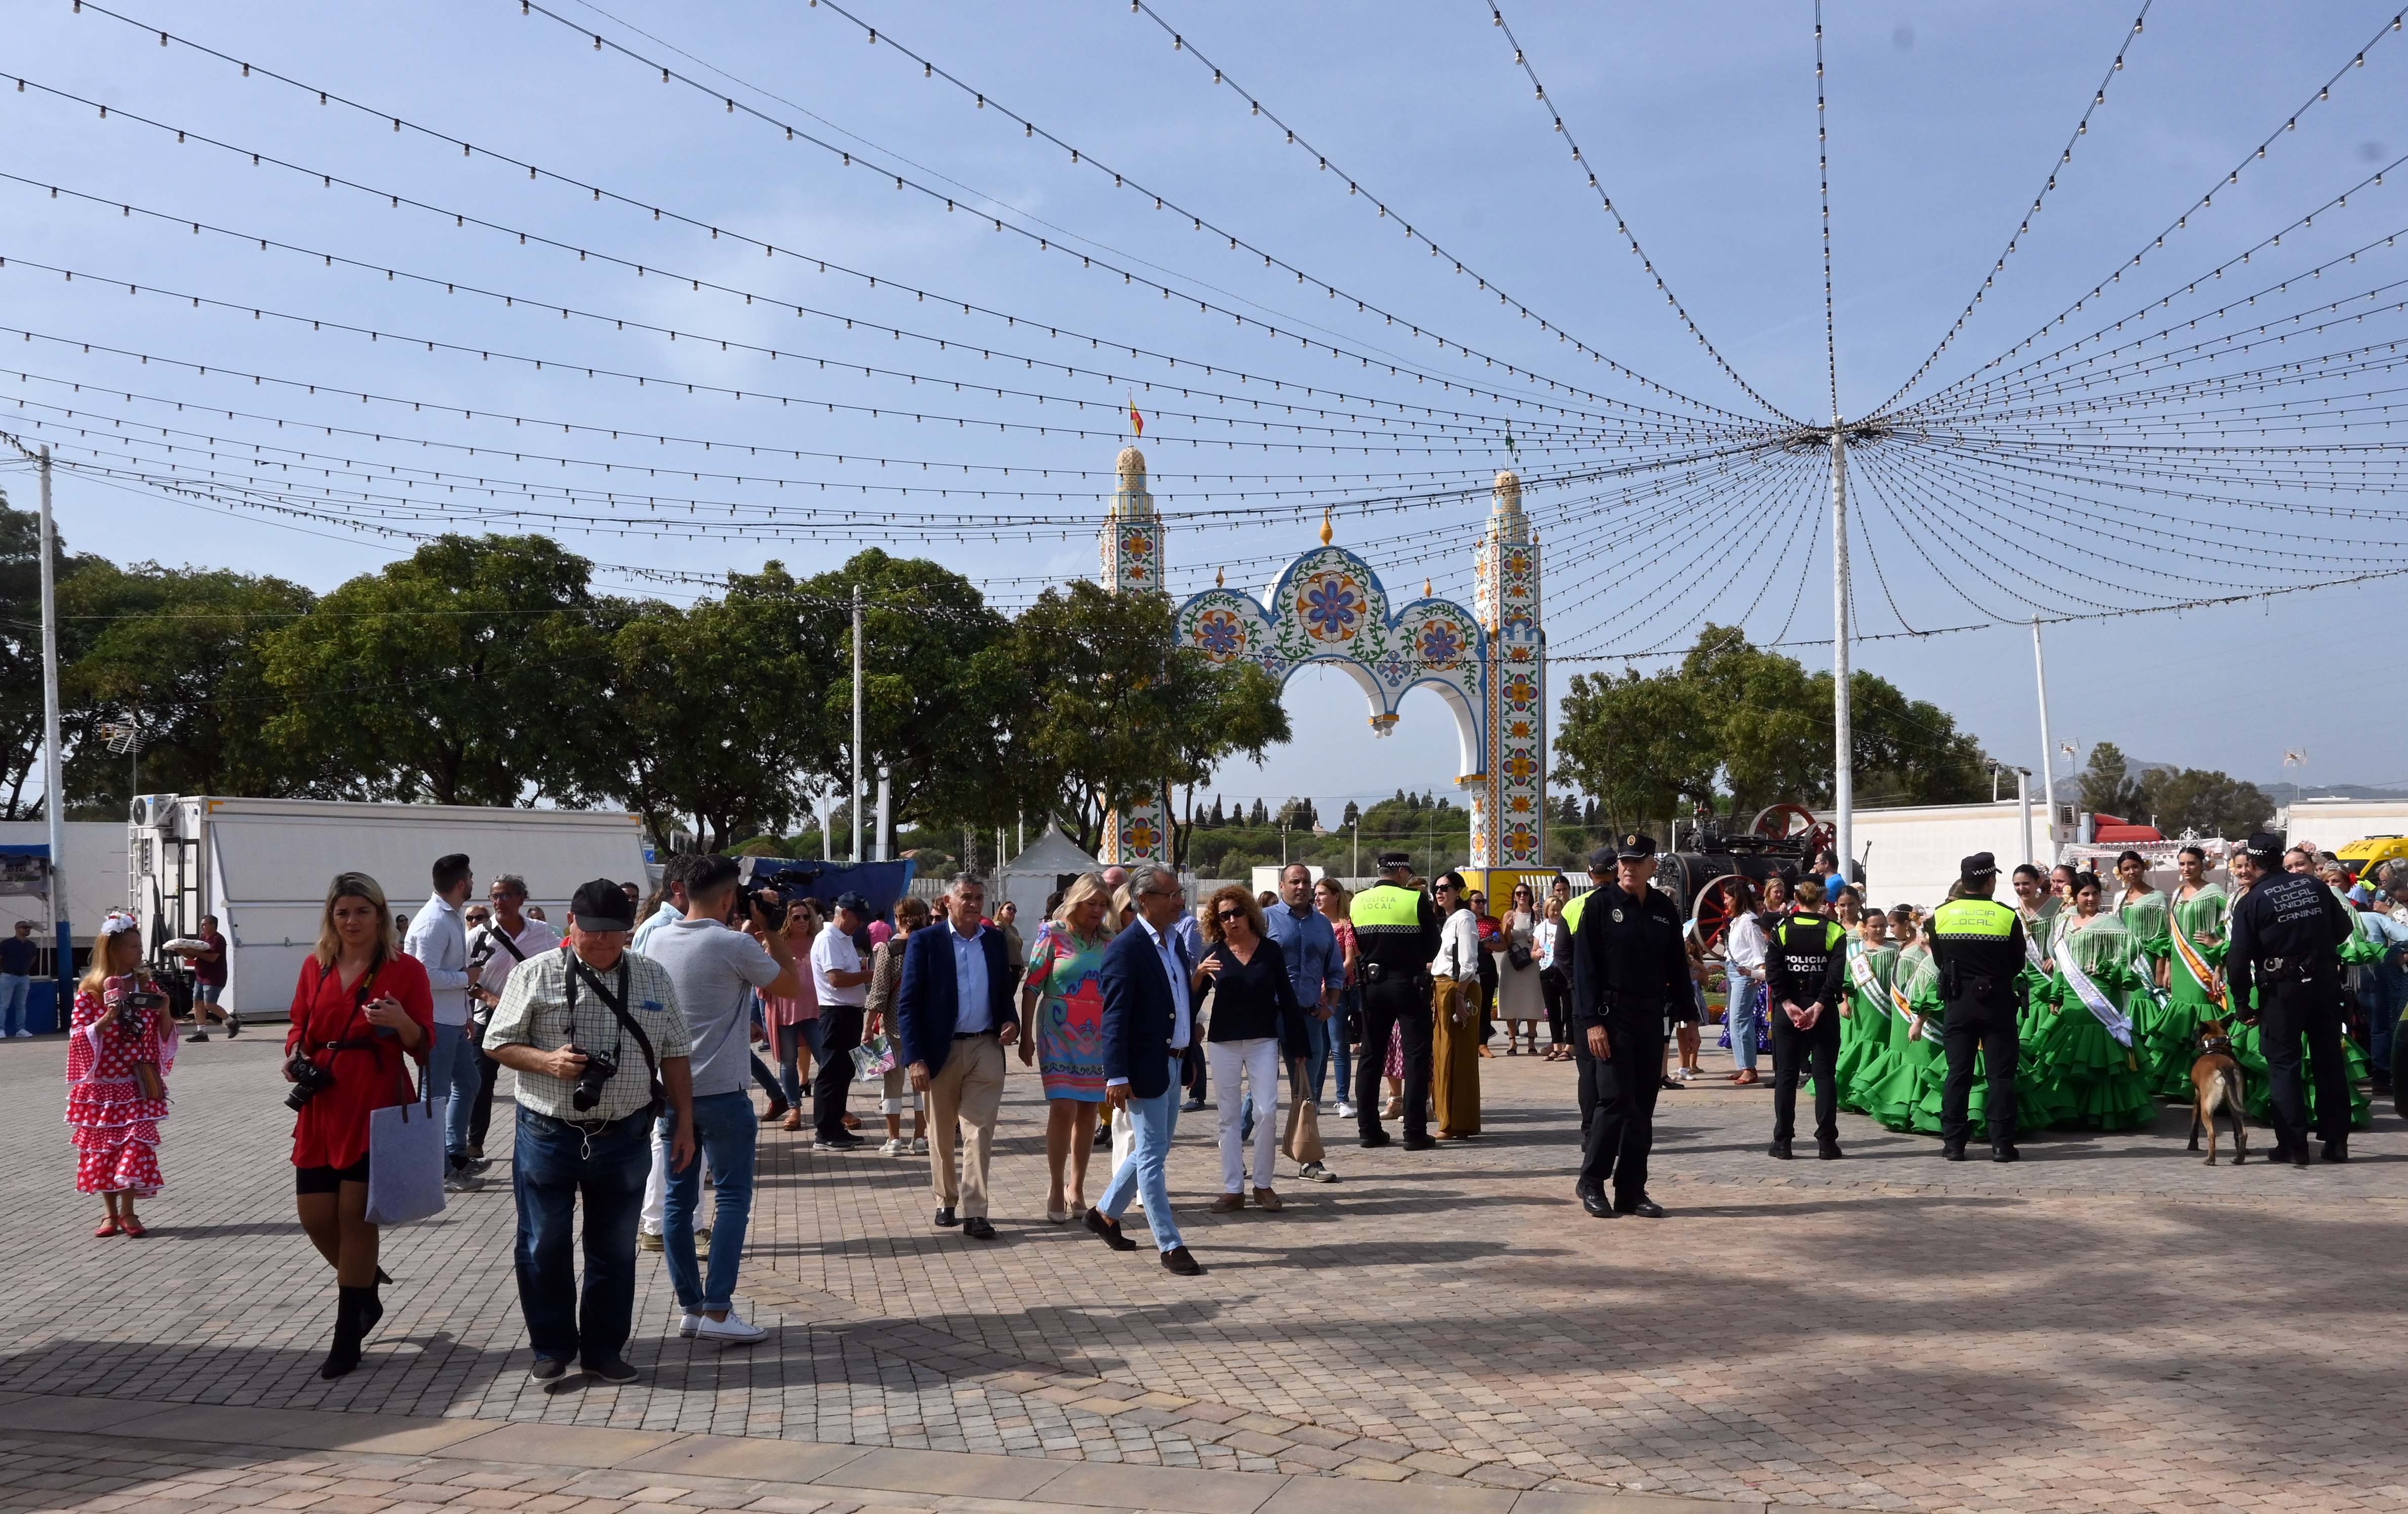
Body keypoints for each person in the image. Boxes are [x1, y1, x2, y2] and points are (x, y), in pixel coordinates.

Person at [485, 879, 697, 1386]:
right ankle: (551, 1347)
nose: (602, 940)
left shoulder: (653, 976)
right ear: (571, 923)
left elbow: (675, 1054)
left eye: (614, 931)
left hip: (625, 1132)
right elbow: (497, 1041)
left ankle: (604, 1350)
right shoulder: (535, 973)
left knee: (616, 1247)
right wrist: (547, 1061)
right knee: (543, 1242)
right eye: (592, 930)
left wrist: (686, 1123)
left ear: (629, 930)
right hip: (548, 1131)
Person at [643, 854, 802, 1344]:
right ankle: (717, 1310)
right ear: (730, 895)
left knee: (678, 1202)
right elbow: (791, 984)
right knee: (732, 1199)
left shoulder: (654, 938)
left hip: (671, 1093)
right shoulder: (734, 944)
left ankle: (691, 1307)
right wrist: (770, 928)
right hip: (724, 1094)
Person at [282, 874, 433, 1377]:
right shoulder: (316, 965)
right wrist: (295, 1054)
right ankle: (365, 1287)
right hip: (323, 1101)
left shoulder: (406, 969)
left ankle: (348, 1335)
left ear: (380, 915)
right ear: (332, 916)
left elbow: (424, 1046)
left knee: (355, 1217)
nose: (352, 921)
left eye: (362, 911)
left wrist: (400, 1021)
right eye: (343, 912)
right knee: (314, 1216)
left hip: (375, 1097)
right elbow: (299, 1026)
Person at [1091, 862, 1203, 1275]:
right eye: (1171, 895)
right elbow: (1114, 1017)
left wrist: (1189, 1052)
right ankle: (1170, 1244)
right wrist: (1117, 1075)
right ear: (1144, 900)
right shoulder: (1126, 949)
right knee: (1153, 1157)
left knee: (1152, 1150)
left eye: (1179, 893)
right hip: (1142, 1068)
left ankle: (1104, 1213)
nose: (1179, 901)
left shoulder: (1175, 940)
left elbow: (1179, 1001)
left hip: (1174, 1061)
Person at [896, 873, 1021, 1240]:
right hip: (940, 1050)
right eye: (966, 896)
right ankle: (946, 1199)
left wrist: (1010, 1022)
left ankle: (976, 1211)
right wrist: (915, 1058)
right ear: (947, 901)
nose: (974, 903)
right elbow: (908, 1004)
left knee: (979, 1131)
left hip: (985, 1046)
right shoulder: (925, 941)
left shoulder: (994, 940)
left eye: (979, 897)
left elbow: (1003, 994)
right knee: (940, 1131)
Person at [1571, 836, 1686, 1219]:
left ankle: (1631, 1190)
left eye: (1637, 861)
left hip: (1650, 1017)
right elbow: (1584, 970)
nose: (1628, 867)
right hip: (1611, 1017)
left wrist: (1687, 1014)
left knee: (1642, 1106)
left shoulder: (1662, 908)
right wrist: (1592, 1023)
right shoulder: (1599, 905)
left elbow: (1677, 965)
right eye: (1624, 861)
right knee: (1614, 1101)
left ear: (1652, 865)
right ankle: (1592, 1181)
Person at [2227, 832, 2357, 1165]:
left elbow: (2238, 958)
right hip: (2324, 985)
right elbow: (2343, 930)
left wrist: (2241, 1003)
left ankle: (2294, 1145)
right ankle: (2337, 1143)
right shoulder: (2315, 886)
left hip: (2282, 991)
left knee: (2284, 1063)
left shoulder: (2251, 902)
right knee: (2329, 1061)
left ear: (2252, 863)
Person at [1196, 885, 1311, 1210]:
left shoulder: (1270, 950)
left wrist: (1298, 1045)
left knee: (1266, 1112)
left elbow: (1287, 998)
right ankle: (1234, 1188)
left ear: (1249, 913)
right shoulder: (1213, 954)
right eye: (1224, 916)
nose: (1232, 920)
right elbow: (1193, 1000)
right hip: (1224, 1043)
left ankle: (1263, 1185)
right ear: (1217, 921)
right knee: (1229, 1117)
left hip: (1263, 1040)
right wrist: (1198, 975)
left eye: (1237, 912)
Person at [68, 911, 176, 1238]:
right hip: (102, 1086)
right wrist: (106, 1019)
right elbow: (77, 1036)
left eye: (140, 946)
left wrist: (165, 1011)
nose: (140, 952)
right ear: (114, 949)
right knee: (104, 1149)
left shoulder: (146, 984)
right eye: (133, 946)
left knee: (134, 1145)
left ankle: (129, 1212)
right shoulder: (90, 989)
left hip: (138, 1082)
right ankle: (110, 1214)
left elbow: (163, 1034)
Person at [2030, 873, 2155, 1133]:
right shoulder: (2064, 922)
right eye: (2085, 894)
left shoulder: (2109, 921)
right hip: (2072, 993)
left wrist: (2109, 966)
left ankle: (2104, 1111)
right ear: (2075, 896)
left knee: (2102, 1052)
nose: (2091, 898)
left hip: (2101, 991)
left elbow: (2133, 947)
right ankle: (2071, 1111)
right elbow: (2061, 962)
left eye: (2095, 893)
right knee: (2072, 1051)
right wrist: (2056, 993)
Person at [1927, 854, 2029, 1161]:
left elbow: (1939, 959)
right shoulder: (2006, 916)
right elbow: (2017, 962)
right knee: (2000, 1076)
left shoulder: (1941, 915)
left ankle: (1954, 1144)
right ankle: (2002, 1145)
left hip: (1958, 1001)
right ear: (1990, 881)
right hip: (1997, 1002)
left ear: (1964, 880)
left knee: (1958, 1073)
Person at [1020, 877, 1111, 1220]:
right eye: (1092, 903)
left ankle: (1077, 1187)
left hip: (1098, 1036)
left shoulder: (1110, 941)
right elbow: (1032, 985)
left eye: (1103, 904)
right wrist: (1026, 1035)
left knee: (1088, 1110)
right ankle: (1056, 1185)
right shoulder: (1052, 933)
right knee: (1063, 1107)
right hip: (1056, 1031)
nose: (1098, 910)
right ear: (1076, 902)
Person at [1348, 851, 1442, 1151]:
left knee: (1370, 1057)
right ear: (1401, 872)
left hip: (1371, 984)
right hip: (1407, 984)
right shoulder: (1414, 899)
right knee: (1415, 1056)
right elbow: (1434, 946)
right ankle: (1414, 1132)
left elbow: (1356, 943)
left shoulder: (1358, 901)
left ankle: (1368, 1131)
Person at [402, 852, 483, 1194]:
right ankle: (438, 1169)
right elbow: (425, 975)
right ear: (461, 883)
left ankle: (455, 1154)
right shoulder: (434, 921)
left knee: (469, 1082)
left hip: (451, 1019)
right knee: (434, 1096)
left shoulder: (450, 915)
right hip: (434, 1021)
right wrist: (466, 978)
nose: (474, 882)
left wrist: (466, 1013)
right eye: (471, 877)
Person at [467, 876, 561, 1165]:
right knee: (481, 1083)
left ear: (522, 898)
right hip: (488, 1018)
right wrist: (488, 997)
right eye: (495, 896)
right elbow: (463, 978)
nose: (500, 902)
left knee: (542, 1077)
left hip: (533, 1018)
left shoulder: (542, 933)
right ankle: (474, 1145)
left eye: (507, 895)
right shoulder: (478, 936)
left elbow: (561, 963)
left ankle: (546, 1142)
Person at [1261, 864, 1343, 1182]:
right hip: (1271, 1017)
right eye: (1295, 882)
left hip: (1309, 1018)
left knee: (1307, 1092)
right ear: (1282, 886)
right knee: (1262, 1091)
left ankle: (1309, 1161)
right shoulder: (1265, 920)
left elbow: (1335, 970)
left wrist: (1331, 1006)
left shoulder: (1322, 924)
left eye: (1306, 882)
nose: (1301, 887)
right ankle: (1237, 1149)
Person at [1763, 879, 1847, 1160]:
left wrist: (1787, 1004)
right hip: (1822, 1011)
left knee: (1786, 1077)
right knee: (1824, 1077)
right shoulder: (1834, 930)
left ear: (1795, 897)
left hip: (1789, 1011)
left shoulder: (1782, 928)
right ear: (1823, 898)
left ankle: (1783, 1142)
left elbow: (1774, 972)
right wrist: (1819, 1006)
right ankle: (1827, 1143)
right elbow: (1836, 977)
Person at [864, 897, 931, 1156]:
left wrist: (867, 1027)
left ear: (899, 919)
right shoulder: (931, 946)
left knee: (892, 1083)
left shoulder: (888, 950)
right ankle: (920, 1138)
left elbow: (879, 992)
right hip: (925, 1026)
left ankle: (893, 1140)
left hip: (893, 1024)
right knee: (922, 1084)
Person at [809, 893, 875, 1151]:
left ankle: (836, 1125)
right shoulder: (828, 939)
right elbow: (836, 979)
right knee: (831, 1072)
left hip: (849, 1013)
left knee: (844, 1071)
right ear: (844, 913)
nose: (860, 924)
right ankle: (825, 1131)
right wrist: (869, 975)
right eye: (858, 918)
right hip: (836, 1013)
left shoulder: (844, 938)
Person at [760, 900, 824, 1134]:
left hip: (814, 1011)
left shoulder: (817, 941)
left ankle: (834, 1107)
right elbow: (762, 978)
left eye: (806, 917)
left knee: (825, 1059)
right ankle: (794, 1109)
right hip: (785, 1012)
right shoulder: (777, 944)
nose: (802, 921)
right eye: (796, 918)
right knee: (788, 1062)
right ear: (788, 920)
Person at [1427, 873, 1483, 1139]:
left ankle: (1456, 1122)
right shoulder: (1448, 920)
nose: (1440, 892)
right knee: (1443, 1055)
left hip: (1458, 988)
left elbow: (1468, 961)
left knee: (1456, 1057)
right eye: (1436, 888)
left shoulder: (1464, 918)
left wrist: (1460, 995)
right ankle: (1449, 1118)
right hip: (1443, 987)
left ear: (1459, 891)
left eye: (1446, 888)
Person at [1315, 877, 1360, 1114]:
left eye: (1322, 893)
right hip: (1313, 994)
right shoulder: (1312, 924)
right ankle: (1314, 1099)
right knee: (1319, 1049)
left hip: (1338, 993)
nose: (1317, 898)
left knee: (1338, 1047)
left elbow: (1350, 961)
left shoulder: (1346, 925)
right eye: (1316, 894)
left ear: (1336, 896)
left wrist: (1328, 986)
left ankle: (1343, 1100)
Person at [1720, 879, 1767, 1086]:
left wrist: (1759, 973)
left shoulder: (1749, 920)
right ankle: (1743, 1065)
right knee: (1735, 1020)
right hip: (1733, 970)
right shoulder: (1737, 920)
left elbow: (1758, 948)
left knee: (1740, 1019)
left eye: (1728, 898)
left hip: (1744, 973)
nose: (1725, 902)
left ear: (1737, 898)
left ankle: (1749, 1068)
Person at [171, 914, 237, 1042]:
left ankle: (232, 1022)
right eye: (202, 925)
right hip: (200, 977)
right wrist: (182, 951)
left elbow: (212, 958)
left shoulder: (218, 940)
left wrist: (197, 952)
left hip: (214, 978)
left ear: (213, 925)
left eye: (204, 925)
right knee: (197, 1003)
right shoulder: (202, 939)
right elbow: (192, 957)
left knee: (210, 1004)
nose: (202, 927)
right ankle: (202, 1032)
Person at [1497, 881, 1545, 1055]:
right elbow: (1506, 942)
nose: (1522, 896)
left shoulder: (1535, 915)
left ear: (1530, 896)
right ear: (1514, 897)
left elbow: (1542, 936)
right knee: (1511, 999)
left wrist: (1538, 918)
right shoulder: (1509, 915)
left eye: (1525, 893)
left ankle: (1531, 1040)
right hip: (1512, 961)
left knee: (1532, 998)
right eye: (1518, 894)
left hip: (1531, 961)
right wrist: (1508, 928)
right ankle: (1512, 1041)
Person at [1537, 896, 1574, 1062]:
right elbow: (1534, 951)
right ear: (1547, 911)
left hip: (1565, 972)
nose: (1556, 913)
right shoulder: (1541, 927)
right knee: (1553, 1012)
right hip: (1547, 971)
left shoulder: (1567, 925)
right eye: (1553, 910)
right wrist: (1537, 953)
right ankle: (1556, 1046)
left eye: (1559, 909)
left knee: (1569, 1010)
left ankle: (1570, 1046)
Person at [3, 918, 40, 1038]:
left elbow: (33, 959)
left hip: (24, 977)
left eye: (29, 928)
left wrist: (25, 969)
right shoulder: (7, 944)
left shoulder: (31, 945)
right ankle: (1, 1029)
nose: (28, 930)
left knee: (21, 1005)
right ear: (17, 929)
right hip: (8, 976)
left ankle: (21, 1029)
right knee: (3, 1005)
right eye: (25, 928)